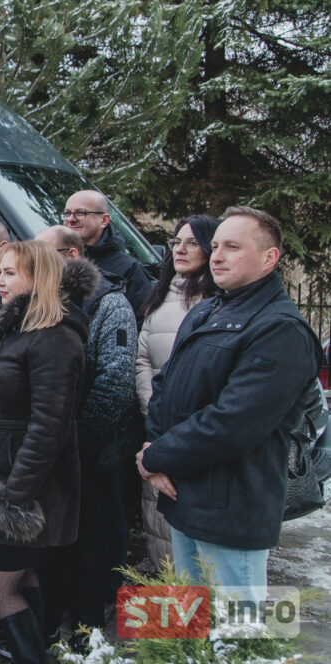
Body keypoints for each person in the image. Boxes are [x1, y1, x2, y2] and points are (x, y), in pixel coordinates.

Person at [138, 207, 321, 601]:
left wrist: (157, 456)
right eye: (216, 245)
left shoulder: (280, 328)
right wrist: (153, 449)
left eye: (232, 247)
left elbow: (233, 422)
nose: (216, 255)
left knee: (234, 638)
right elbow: (164, 387)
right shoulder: (207, 310)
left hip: (231, 512)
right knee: (187, 629)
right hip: (182, 497)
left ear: (269, 258)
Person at [0, 240, 87, 664]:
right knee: (23, 571)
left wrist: (16, 493)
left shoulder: (55, 337)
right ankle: (28, 650)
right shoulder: (15, 327)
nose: (1, 278)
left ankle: (32, 657)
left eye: (12, 272)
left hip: (28, 484)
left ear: (40, 278)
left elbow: (50, 426)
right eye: (3, 270)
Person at [36, 225, 137, 643]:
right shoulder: (42, 301)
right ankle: (50, 616)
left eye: (45, 255)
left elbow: (114, 384)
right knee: (54, 545)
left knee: (92, 546)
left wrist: (79, 444)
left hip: (92, 454)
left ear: (72, 255)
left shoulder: (110, 304)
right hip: (53, 451)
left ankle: (87, 625)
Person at [135, 215, 219, 568]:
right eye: (175, 242)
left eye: (191, 242)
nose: (180, 249)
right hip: (155, 429)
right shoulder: (161, 294)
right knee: (157, 524)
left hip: (196, 433)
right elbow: (141, 359)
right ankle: (171, 611)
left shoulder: (217, 301)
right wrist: (154, 410)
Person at [63, 189, 152, 321]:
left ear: (104, 220)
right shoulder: (57, 259)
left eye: (81, 213)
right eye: (67, 213)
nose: (71, 219)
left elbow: (138, 323)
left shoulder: (128, 269)